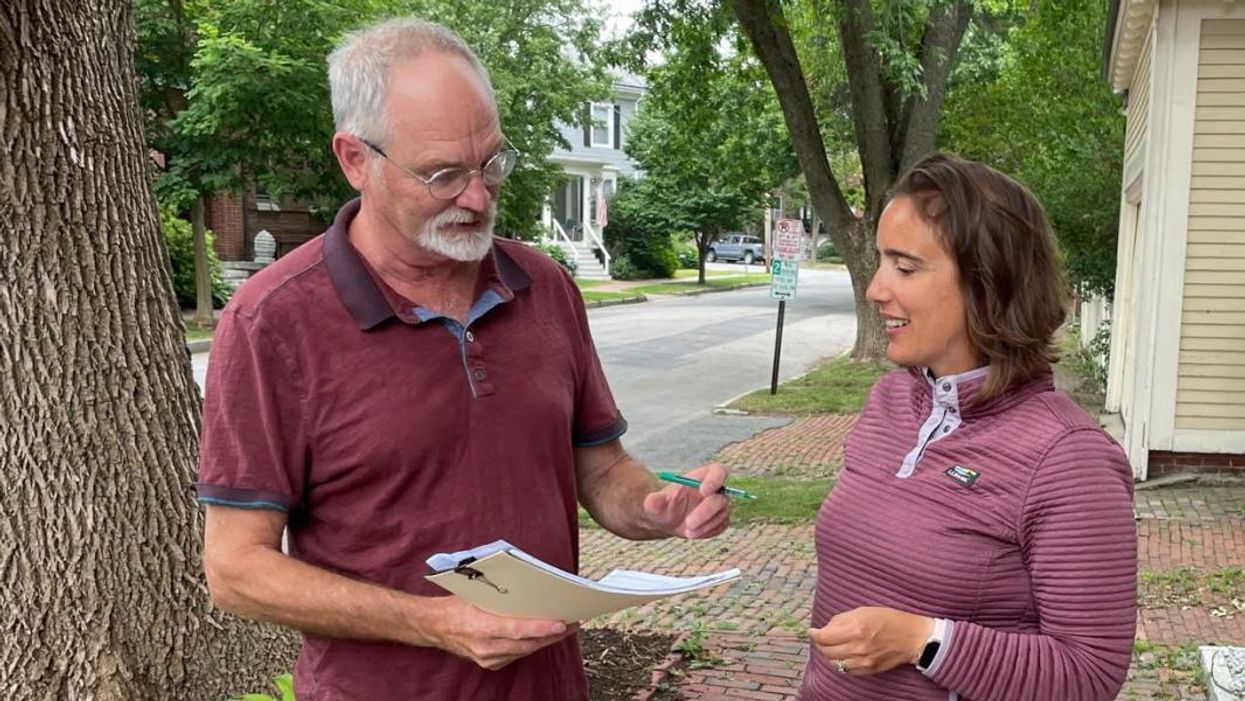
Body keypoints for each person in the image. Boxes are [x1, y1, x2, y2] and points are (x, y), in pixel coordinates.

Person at [194, 17, 730, 700]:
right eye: (443, 174)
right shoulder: (272, 321)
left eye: (492, 163)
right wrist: (434, 623)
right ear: (355, 158)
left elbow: (600, 468)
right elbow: (236, 568)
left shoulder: (546, 287)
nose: (477, 197)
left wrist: (655, 508)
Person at [800, 153, 1137, 701]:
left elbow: (1090, 673)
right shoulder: (888, 402)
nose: (875, 289)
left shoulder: (1068, 458)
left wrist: (924, 641)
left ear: (987, 283)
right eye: (881, 263)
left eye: (904, 267)